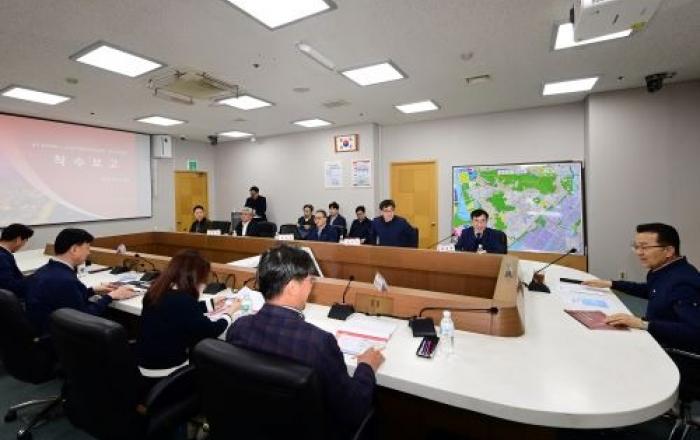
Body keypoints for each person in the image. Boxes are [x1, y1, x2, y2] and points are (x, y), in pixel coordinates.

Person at [226, 244, 383, 437]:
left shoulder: (238, 328)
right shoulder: (318, 343)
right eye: (310, 280)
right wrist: (366, 367)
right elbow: (353, 409)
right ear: (292, 287)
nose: (312, 285)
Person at [583, 223, 700, 352]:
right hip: (657, 333)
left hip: (673, 351)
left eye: (645, 247)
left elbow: (694, 331)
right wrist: (612, 284)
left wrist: (642, 324)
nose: (639, 252)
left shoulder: (683, 282)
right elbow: (651, 290)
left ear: (668, 251)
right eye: (636, 247)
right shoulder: (663, 270)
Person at [136, 250, 240, 385]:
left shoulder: (157, 291)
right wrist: (230, 313)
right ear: (195, 279)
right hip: (167, 375)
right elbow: (211, 331)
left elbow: (181, 311)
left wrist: (211, 303)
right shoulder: (184, 301)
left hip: (144, 368)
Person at [25, 228, 137, 334]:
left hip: (47, 328)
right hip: (61, 337)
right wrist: (111, 296)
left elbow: (67, 298)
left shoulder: (47, 270)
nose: (89, 253)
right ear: (74, 249)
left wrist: (93, 290)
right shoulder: (65, 280)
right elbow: (83, 317)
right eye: (87, 248)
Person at [0, 223, 33, 298]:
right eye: (25, 241)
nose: (23, 245)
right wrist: (33, 279)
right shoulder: (3, 258)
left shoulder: (4, 254)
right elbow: (10, 287)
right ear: (18, 240)